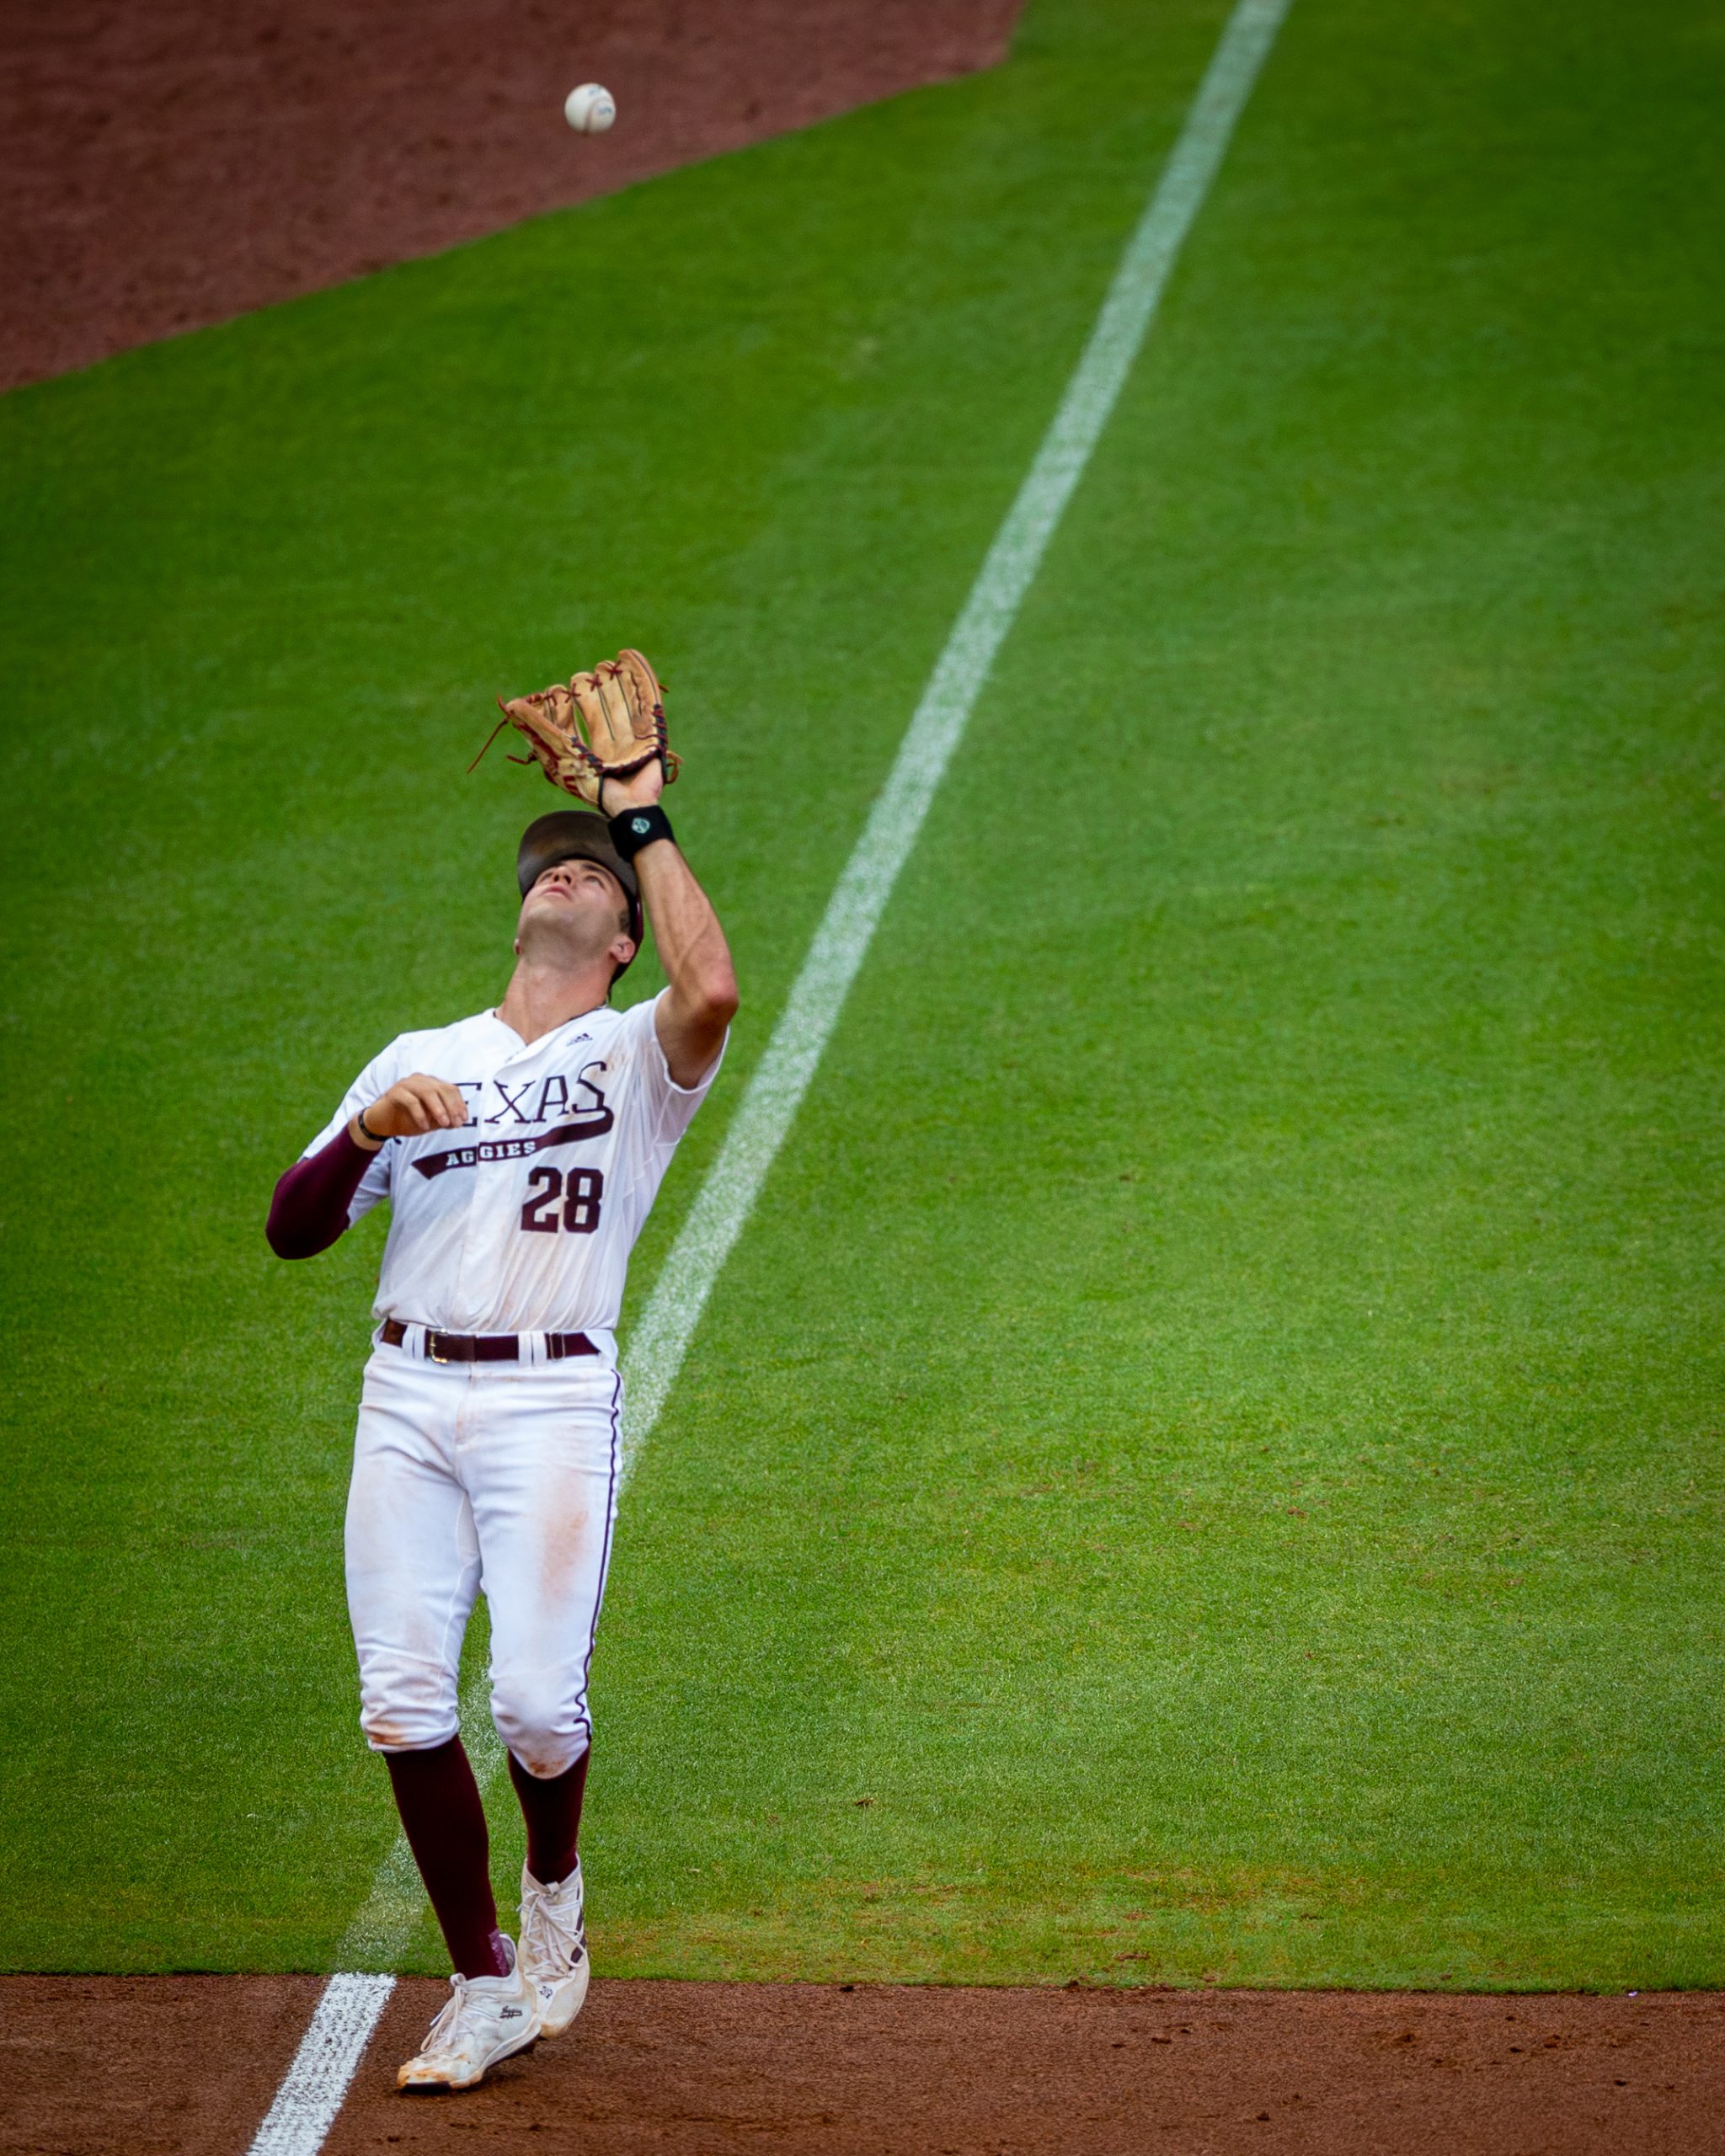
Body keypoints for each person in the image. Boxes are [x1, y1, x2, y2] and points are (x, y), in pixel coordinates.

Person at [266, 762, 736, 2093]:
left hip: (550, 1399)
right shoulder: (420, 1059)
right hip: (406, 1397)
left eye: (591, 871)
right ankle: (482, 1986)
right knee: (402, 1702)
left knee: (535, 1705)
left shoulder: (635, 1053)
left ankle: (554, 1887)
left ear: (624, 932)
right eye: (547, 867)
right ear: (522, 910)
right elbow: (292, 1229)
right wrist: (363, 1134)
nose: (564, 874)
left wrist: (637, 811)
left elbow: (715, 992)